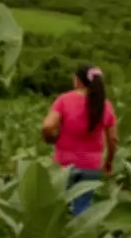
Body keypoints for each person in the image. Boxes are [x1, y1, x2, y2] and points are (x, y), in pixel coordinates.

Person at [40, 64, 118, 216]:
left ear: (78, 81)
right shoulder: (105, 105)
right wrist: (109, 161)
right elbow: (113, 139)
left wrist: (50, 139)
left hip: (64, 165)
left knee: (59, 210)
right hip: (91, 166)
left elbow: (48, 126)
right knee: (82, 210)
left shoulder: (64, 100)